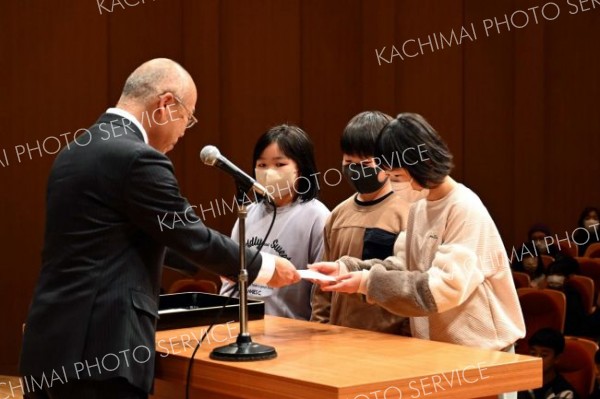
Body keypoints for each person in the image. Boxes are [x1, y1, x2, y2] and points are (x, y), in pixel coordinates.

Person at [19, 58, 299, 399]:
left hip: (48, 345)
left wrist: (210, 266)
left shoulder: (74, 151)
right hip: (100, 352)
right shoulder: (137, 157)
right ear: (165, 105)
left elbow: (111, 239)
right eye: (188, 117)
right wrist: (263, 267)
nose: (183, 131)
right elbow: (189, 234)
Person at [311, 112, 526, 354]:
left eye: (397, 177)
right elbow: (402, 265)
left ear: (422, 166)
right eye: (389, 176)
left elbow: (443, 288)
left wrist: (368, 283)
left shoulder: (464, 207)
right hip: (437, 347)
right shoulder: (419, 207)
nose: (393, 184)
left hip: (483, 349)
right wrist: (351, 270)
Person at [310, 111, 412, 334]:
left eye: (365, 163)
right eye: (348, 162)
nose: (356, 169)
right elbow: (323, 290)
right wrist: (320, 329)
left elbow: (410, 282)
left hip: (387, 340)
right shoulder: (338, 215)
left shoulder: (407, 213)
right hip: (338, 337)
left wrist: (406, 336)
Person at [220, 125, 330, 320]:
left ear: (301, 169)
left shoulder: (317, 216)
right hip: (245, 328)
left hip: (294, 333)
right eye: (262, 165)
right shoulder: (248, 214)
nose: (269, 173)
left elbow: (322, 290)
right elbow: (230, 280)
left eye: (280, 165)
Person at [517, 328, 580, 399]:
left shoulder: (564, 393)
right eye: (533, 353)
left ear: (557, 358)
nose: (537, 359)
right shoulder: (521, 382)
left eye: (544, 355)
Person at [545, 257, 588, 337]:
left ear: (567, 277)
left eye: (559, 275)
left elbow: (576, 321)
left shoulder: (573, 294)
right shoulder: (544, 293)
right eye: (550, 274)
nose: (554, 278)